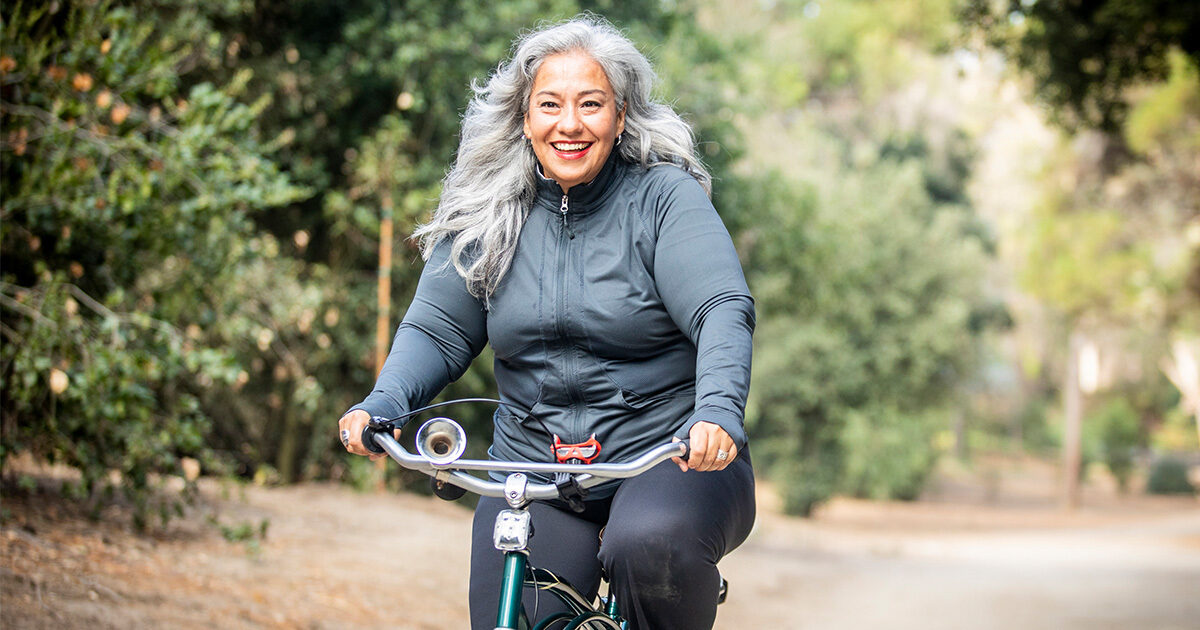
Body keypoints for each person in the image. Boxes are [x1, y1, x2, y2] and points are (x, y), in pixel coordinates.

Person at [337, 16, 755, 630]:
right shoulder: (488, 209)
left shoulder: (664, 199)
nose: (569, 124)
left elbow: (720, 307)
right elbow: (436, 330)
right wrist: (384, 403)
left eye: (591, 104)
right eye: (550, 104)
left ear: (620, 115)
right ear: (524, 117)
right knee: (518, 608)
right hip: (535, 471)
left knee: (649, 543)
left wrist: (716, 413)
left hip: (671, 458)